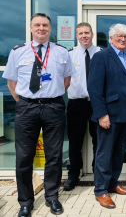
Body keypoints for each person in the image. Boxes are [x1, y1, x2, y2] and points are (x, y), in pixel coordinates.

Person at [2, 13, 76, 217]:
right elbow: (11, 82)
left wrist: (51, 96)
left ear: (50, 28)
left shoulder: (61, 52)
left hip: (54, 107)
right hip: (27, 107)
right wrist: (25, 102)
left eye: (45, 25)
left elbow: (67, 79)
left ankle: (52, 197)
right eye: (37, 25)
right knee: (24, 157)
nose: (41, 28)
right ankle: (25, 202)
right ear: (31, 27)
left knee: (54, 155)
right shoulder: (18, 52)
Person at [88, 24, 126, 209]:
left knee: (119, 151)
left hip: (125, 114)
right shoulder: (101, 57)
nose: (123, 39)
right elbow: (95, 89)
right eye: (119, 36)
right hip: (109, 116)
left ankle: (113, 183)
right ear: (111, 38)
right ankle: (101, 191)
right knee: (104, 153)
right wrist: (102, 114)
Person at [64, 22, 101, 191]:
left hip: (97, 103)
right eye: (81, 33)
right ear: (77, 36)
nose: (84, 36)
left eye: (87, 32)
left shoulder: (102, 53)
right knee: (75, 141)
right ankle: (73, 175)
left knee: (98, 139)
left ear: (92, 34)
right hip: (76, 104)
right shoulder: (69, 55)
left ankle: (97, 173)